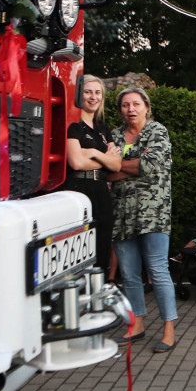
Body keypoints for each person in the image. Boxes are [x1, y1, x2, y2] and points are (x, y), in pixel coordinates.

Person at [109, 87, 178, 353]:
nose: (131, 109)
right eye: (126, 105)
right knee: (128, 273)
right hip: (122, 212)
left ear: (146, 107)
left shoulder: (157, 131)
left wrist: (119, 166)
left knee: (158, 270)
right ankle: (136, 325)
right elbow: (106, 171)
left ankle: (169, 329)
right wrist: (125, 167)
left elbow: (149, 165)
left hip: (153, 213)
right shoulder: (114, 135)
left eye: (136, 104)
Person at [63, 74, 122, 281]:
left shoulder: (103, 129)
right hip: (79, 189)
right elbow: (77, 163)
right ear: (79, 95)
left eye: (97, 92)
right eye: (88, 92)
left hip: (100, 191)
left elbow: (116, 165)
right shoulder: (73, 125)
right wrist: (106, 157)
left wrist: (95, 154)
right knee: (81, 248)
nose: (93, 97)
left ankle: (98, 292)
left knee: (102, 245)